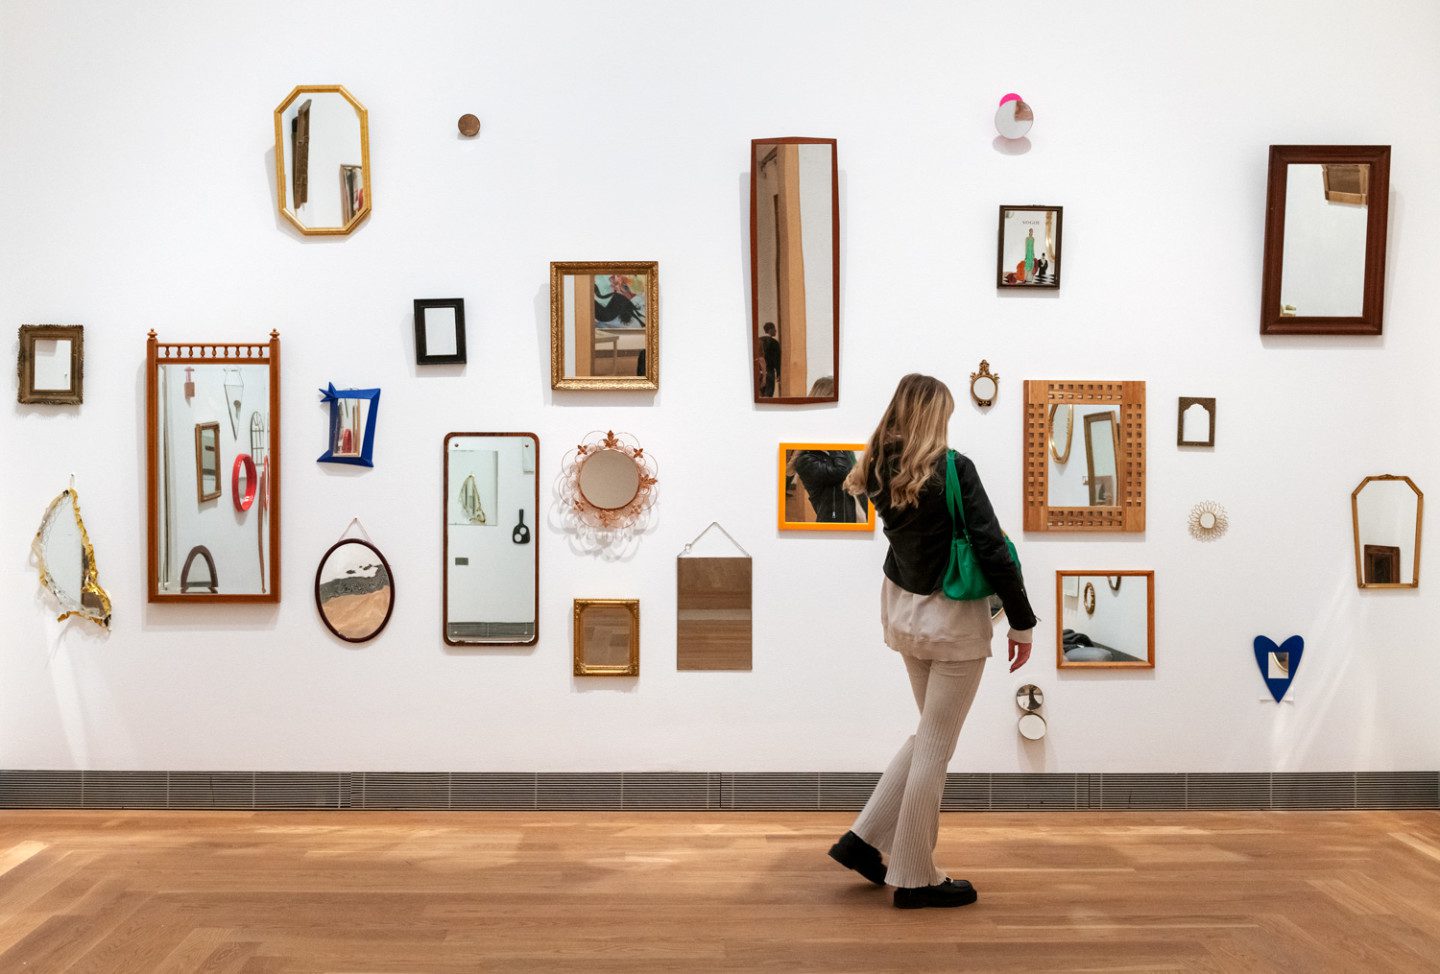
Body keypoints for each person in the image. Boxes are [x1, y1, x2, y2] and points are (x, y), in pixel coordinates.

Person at [826, 373, 1035, 910]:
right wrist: (1022, 620)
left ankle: (862, 841)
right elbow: (990, 547)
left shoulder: (874, 466)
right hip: (953, 622)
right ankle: (916, 876)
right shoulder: (953, 467)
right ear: (933, 414)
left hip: (904, 614)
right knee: (936, 748)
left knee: (928, 733)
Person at [757, 322, 781, 397]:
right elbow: (777, 360)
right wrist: (778, 373)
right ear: (770, 330)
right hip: (770, 372)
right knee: (768, 396)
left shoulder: (758, 341)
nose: (776, 331)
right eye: (774, 329)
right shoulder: (775, 343)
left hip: (758, 372)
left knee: (759, 396)